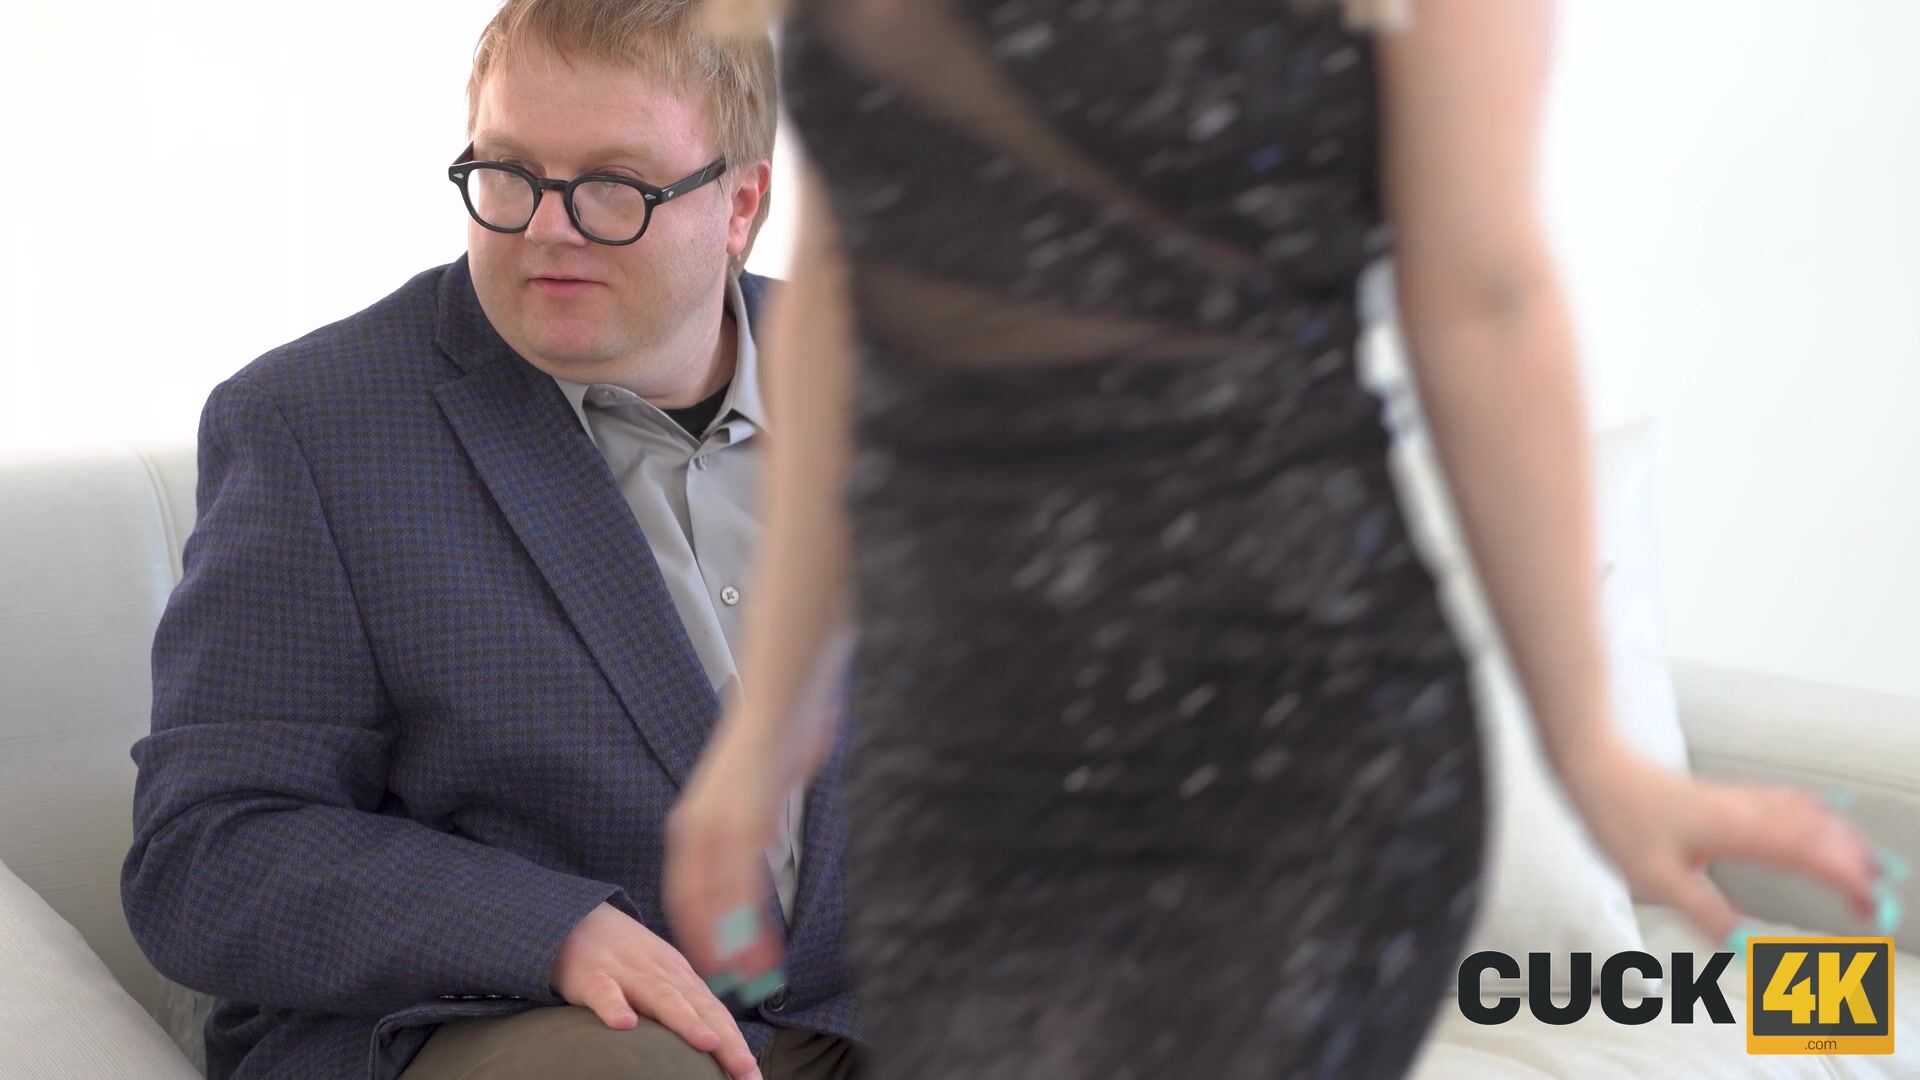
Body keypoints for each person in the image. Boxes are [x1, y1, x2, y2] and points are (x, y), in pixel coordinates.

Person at [662, 1, 1891, 1076]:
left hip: (1279, 731)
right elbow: (852, 284)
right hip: (961, 745)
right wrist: (767, 732)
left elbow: (1484, 299)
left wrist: (1593, 756)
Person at [120, 2, 865, 1078]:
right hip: (512, 1019)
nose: (546, 227)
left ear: (739, 204)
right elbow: (207, 851)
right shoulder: (315, 427)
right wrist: (545, 931)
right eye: (508, 172)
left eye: (614, 183)